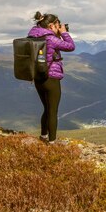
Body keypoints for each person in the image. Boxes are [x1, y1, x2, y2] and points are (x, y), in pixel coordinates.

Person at [28, 11, 75, 144]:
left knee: (47, 108)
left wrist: (57, 33)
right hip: (51, 78)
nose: (58, 27)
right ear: (50, 26)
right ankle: (52, 142)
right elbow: (71, 47)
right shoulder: (50, 38)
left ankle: (43, 136)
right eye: (57, 25)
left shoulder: (32, 36)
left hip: (38, 78)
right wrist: (64, 33)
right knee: (53, 111)